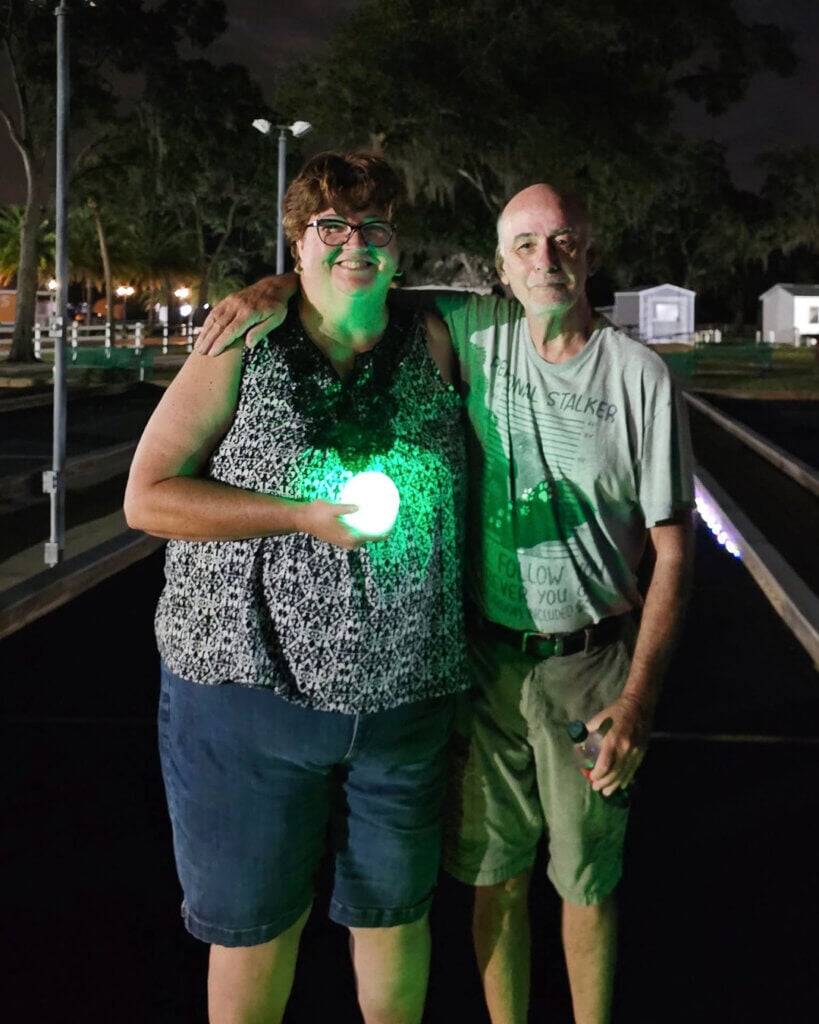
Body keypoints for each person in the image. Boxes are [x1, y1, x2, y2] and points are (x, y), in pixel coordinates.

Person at [194, 182, 695, 1024]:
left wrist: (637, 698)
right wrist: (272, 286)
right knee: (492, 877)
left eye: (564, 241)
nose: (547, 259)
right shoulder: (478, 335)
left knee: (583, 881)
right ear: (499, 266)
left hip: (588, 667)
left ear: (591, 254)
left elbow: (675, 551)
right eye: (526, 245)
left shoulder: (638, 376)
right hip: (484, 661)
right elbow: (357, 278)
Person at [124, 150, 468, 1024]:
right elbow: (148, 497)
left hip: (405, 699)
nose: (356, 242)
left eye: (375, 226)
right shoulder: (244, 338)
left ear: (396, 244)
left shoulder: (434, 338)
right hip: (245, 697)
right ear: (298, 240)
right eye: (331, 226)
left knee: (395, 920)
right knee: (253, 932)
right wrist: (300, 514)